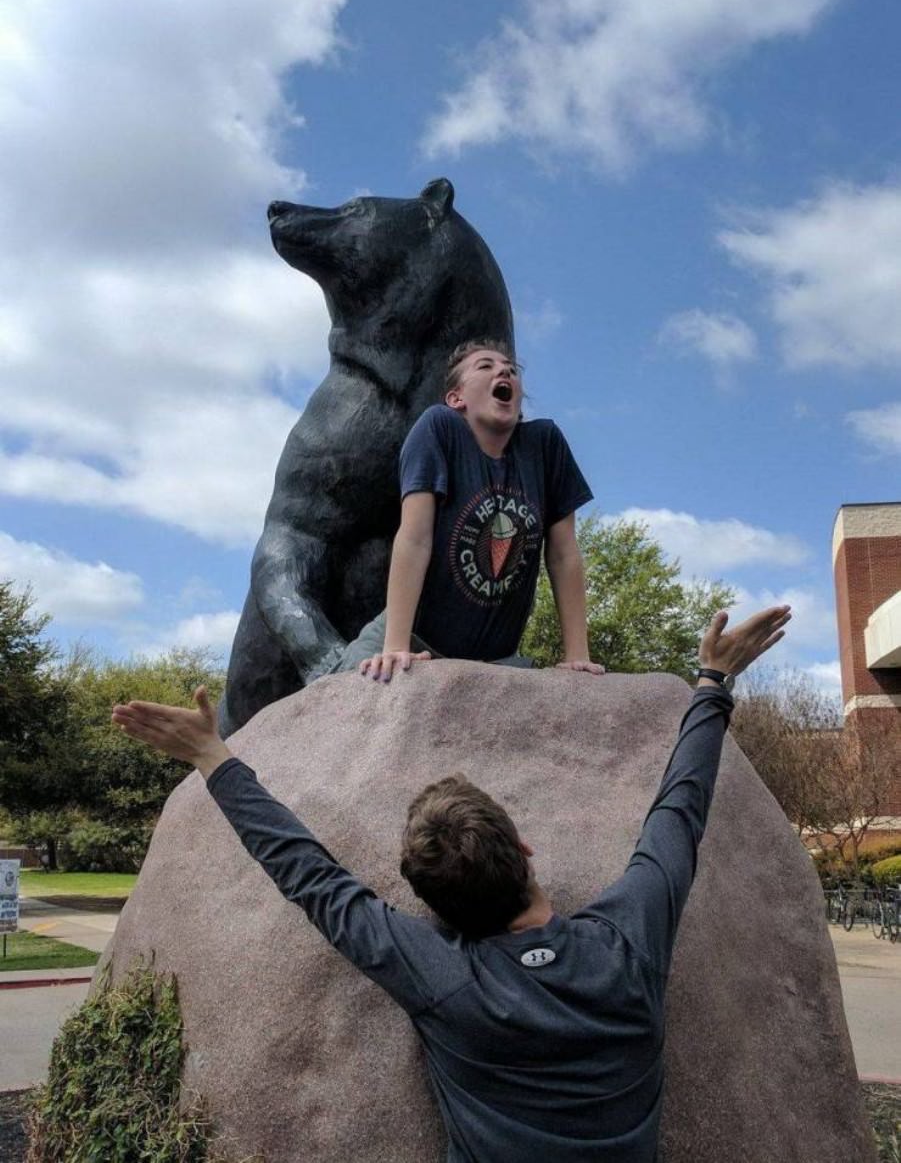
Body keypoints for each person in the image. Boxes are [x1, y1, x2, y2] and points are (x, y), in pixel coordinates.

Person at [112, 603, 790, 1163]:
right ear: (523, 849)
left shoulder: (444, 979)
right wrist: (710, 680)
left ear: (433, 908)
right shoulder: (627, 941)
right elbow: (679, 812)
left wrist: (212, 755)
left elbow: (310, 877)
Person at [333, 340, 604, 681]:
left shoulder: (544, 446)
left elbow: (564, 555)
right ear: (456, 398)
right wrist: (395, 647)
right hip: (411, 638)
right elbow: (415, 538)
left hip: (493, 661)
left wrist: (577, 657)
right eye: (485, 366)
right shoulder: (439, 429)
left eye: (510, 368)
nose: (503, 370)